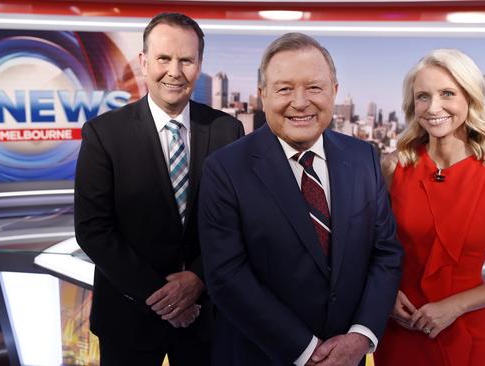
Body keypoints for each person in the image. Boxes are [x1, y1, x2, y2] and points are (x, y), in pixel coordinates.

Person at [198, 32, 403, 366]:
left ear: (334, 92)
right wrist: (307, 351)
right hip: (259, 355)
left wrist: (361, 336)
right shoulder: (225, 169)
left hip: (348, 355)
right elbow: (227, 276)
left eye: (314, 87)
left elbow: (386, 253)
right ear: (262, 95)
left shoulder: (364, 157)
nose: (301, 101)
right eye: (284, 88)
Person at [74, 12, 244, 366]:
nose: (175, 71)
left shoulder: (227, 131)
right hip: (128, 317)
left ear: (199, 65)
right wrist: (161, 296)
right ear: (143, 61)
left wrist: (197, 279)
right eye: (164, 58)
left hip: (207, 317)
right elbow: (93, 230)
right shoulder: (103, 134)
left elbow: (236, 222)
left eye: (186, 60)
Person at [374, 49, 485, 366]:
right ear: (413, 105)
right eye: (423, 96)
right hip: (399, 327)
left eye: (447, 93)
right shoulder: (393, 168)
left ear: (470, 98)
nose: (434, 107)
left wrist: (456, 306)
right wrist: (386, 295)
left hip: (465, 331)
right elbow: (369, 246)